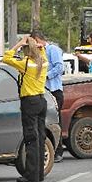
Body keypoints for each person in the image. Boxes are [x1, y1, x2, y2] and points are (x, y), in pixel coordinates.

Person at [3, 36, 48, 182]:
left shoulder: (27, 63)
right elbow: (42, 53)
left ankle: (31, 174)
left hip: (30, 102)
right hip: (41, 100)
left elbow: (6, 58)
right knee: (40, 137)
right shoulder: (43, 61)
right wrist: (39, 47)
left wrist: (18, 44)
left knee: (31, 138)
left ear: (26, 50)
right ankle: (39, 174)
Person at [31, 30, 64, 163]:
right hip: (42, 91)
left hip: (54, 90)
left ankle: (58, 151)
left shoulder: (52, 50)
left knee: (54, 122)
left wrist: (45, 76)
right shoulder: (36, 53)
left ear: (37, 39)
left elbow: (59, 67)